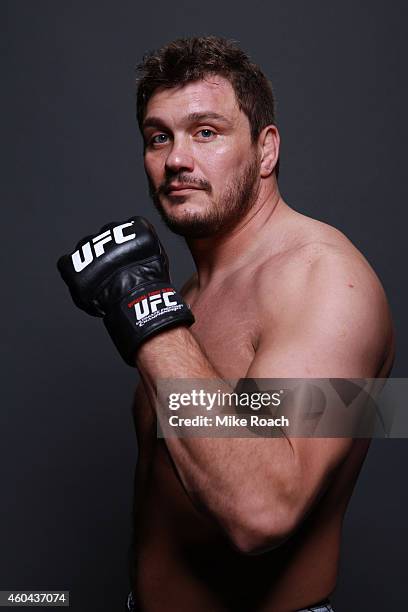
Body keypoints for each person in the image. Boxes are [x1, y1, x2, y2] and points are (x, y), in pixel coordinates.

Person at [58, 37, 395, 611]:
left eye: (206, 132)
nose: (176, 159)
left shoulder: (327, 281)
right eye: (158, 136)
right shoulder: (190, 293)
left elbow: (264, 511)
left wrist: (146, 313)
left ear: (266, 151)